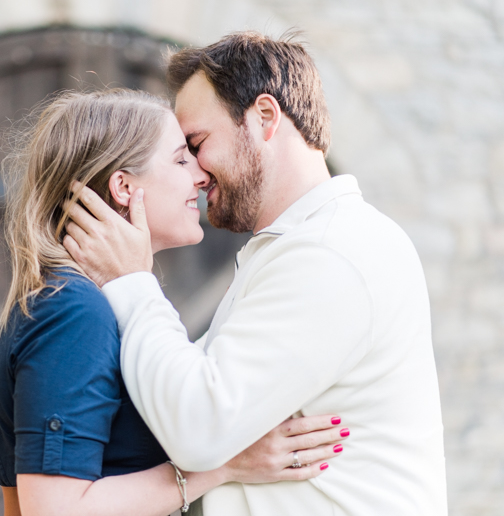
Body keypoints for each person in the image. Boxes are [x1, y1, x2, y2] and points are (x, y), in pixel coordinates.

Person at [63, 32, 447, 515]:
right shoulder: (301, 247)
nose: (196, 174)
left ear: (265, 117)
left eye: (196, 145)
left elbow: (198, 426)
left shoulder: (331, 253)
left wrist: (131, 281)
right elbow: (186, 402)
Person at [0, 89, 349, 516]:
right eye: (180, 159)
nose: (201, 175)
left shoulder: (67, 301)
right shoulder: (73, 311)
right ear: (123, 186)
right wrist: (225, 464)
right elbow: (54, 509)